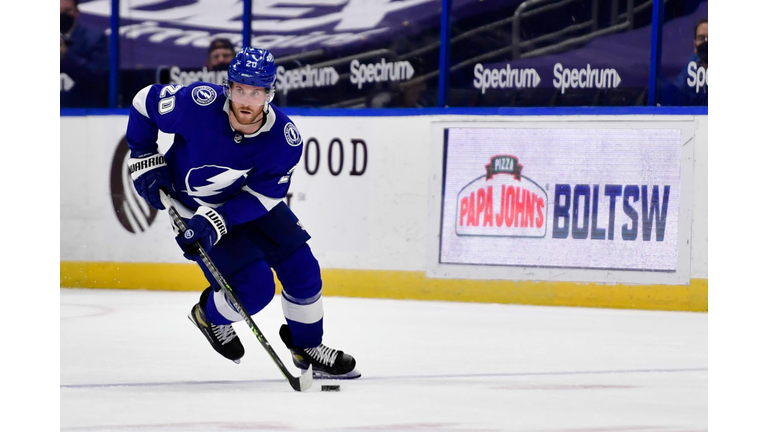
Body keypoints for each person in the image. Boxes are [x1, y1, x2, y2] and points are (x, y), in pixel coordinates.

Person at [125, 47, 360, 379]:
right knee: (255, 289)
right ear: (228, 87)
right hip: (194, 208)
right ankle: (209, 316)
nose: (246, 101)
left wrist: (223, 218)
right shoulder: (197, 104)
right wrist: (142, 154)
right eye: (239, 89)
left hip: (248, 205)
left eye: (256, 91)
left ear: (269, 93)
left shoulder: (284, 139)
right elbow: (143, 102)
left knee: (302, 267)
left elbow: (266, 194)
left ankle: (306, 346)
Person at [60, 0, 109, 107]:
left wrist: (66, 56)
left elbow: (99, 77)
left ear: (77, 11)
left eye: (67, 10)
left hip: (84, 112)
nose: (61, 15)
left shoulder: (94, 39)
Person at [672, 17, 707, 106]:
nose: (706, 42)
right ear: (695, 45)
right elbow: (676, 95)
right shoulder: (691, 67)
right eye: (701, 38)